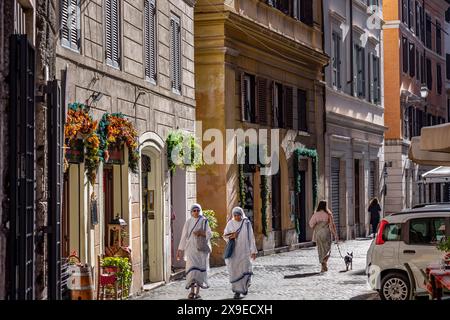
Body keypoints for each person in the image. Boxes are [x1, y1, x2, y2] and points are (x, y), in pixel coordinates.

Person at [176, 203, 212, 299]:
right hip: (191, 249)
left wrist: (201, 233)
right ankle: (191, 291)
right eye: (194, 210)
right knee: (191, 271)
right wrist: (180, 250)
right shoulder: (188, 222)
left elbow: (209, 234)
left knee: (200, 271)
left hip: (201, 250)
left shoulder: (204, 221)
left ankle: (198, 292)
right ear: (191, 212)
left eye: (198, 210)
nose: (196, 212)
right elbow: (184, 236)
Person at [223, 207, 257, 299]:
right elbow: (225, 235)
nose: (237, 217)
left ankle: (244, 287)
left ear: (242, 214)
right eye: (235, 215)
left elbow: (251, 237)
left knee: (245, 269)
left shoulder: (246, 223)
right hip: (234, 251)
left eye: (238, 215)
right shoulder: (230, 223)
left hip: (245, 251)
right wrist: (232, 236)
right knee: (235, 270)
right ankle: (237, 291)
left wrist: (253, 251)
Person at [309, 200, 338, 273]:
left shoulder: (316, 214)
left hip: (318, 233)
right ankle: (324, 262)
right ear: (325, 206)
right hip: (326, 233)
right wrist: (335, 235)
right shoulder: (328, 214)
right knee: (327, 250)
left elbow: (311, 224)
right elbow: (331, 226)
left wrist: (317, 226)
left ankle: (323, 265)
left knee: (320, 250)